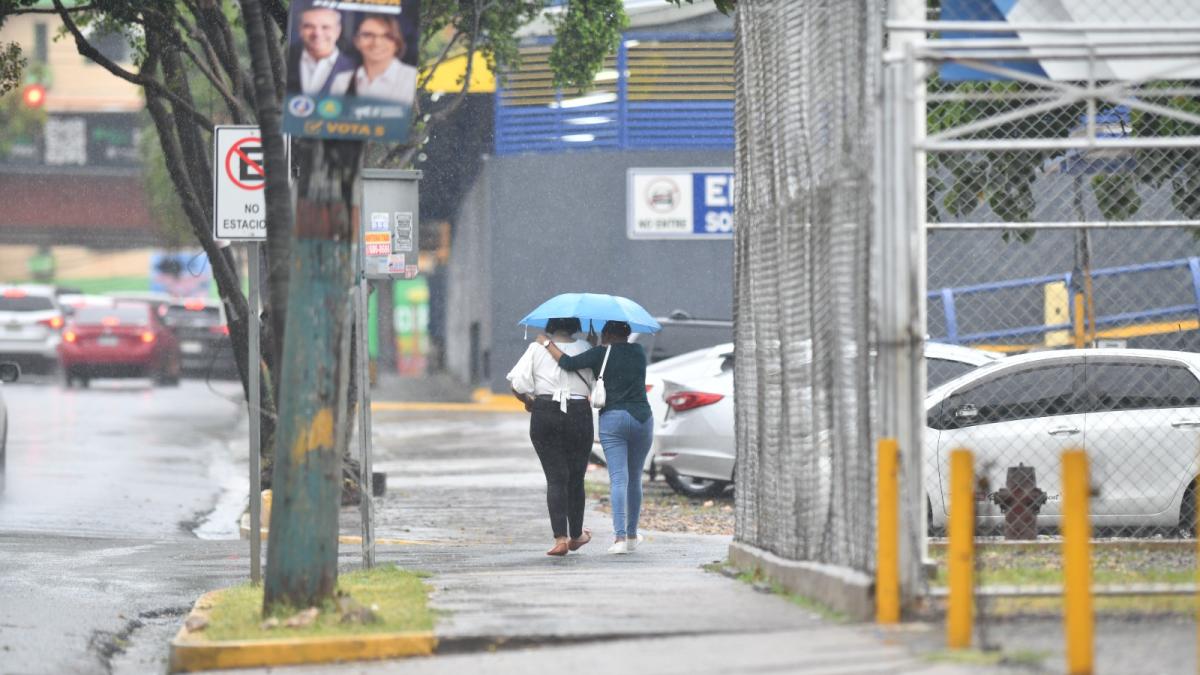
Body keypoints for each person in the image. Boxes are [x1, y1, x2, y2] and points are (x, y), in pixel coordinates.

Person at [539, 320, 651, 555]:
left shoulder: (600, 353)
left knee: (618, 479)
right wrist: (594, 347)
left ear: (607, 334)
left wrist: (547, 343)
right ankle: (632, 535)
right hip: (642, 418)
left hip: (614, 419)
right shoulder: (638, 352)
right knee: (635, 478)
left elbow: (567, 363)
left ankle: (619, 538)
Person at [507, 318, 595, 556]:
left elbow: (517, 384)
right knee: (576, 478)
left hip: (545, 412)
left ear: (550, 326)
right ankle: (576, 534)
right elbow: (597, 381)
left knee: (556, 478)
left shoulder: (536, 348)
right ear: (575, 326)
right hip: (579, 413)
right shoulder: (586, 348)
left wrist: (529, 402)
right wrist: (592, 345)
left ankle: (560, 539)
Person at [332, 13, 416, 105]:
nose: (377, 43)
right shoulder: (342, 81)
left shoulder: (413, 79)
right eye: (368, 35)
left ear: (397, 43)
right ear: (356, 41)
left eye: (387, 36)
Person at [287, 6, 355, 97]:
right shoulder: (283, 58)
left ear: (338, 31)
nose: (317, 33)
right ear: (300, 30)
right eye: (309, 26)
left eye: (325, 27)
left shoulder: (355, 68)